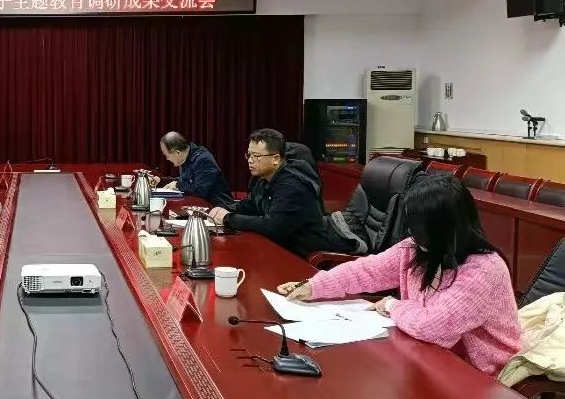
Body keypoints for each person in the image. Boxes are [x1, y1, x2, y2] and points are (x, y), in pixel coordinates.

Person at [278, 175, 521, 376]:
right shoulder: (417, 248)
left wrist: (392, 305)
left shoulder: (484, 270)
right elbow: (368, 270)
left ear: (446, 228)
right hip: (425, 356)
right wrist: (313, 286)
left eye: (420, 227)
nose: (413, 234)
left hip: (478, 374)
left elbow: (434, 327)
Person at [206, 128, 328, 257]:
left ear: (276, 159)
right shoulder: (265, 178)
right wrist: (220, 210)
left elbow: (272, 226)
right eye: (249, 155)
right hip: (281, 248)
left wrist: (228, 218)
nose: (250, 160)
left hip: (305, 254)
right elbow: (248, 205)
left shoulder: (292, 185)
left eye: (256, 156)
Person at [149, 132, 233, 206]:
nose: (167, 159)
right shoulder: (186, 157)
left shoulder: (204, 159)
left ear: (178, 153)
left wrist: (177, 185)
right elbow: (185, 181)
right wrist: (160, 180)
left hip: (220, 209)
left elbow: (199, 190)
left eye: (167, 155)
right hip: (200, 207)